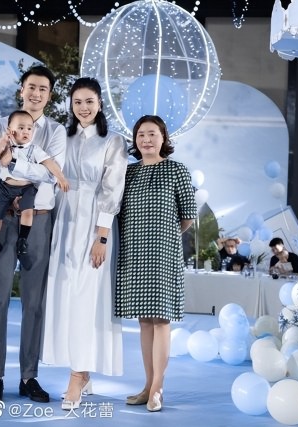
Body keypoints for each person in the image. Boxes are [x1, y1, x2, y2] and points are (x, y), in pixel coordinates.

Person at [0, 65, 66, 404]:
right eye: (31, 87)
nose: (36, 93)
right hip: (2, 219)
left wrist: (13, 169)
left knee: (34, 302)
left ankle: (29, 376)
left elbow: (51, 174)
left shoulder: (55, 132)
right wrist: (2, 196)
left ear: (49, 95)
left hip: (37, 219)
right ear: (21, 90)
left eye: (43, 89)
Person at [41, 77, 128, 411]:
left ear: (100, 103)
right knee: (65, 294)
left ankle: (77, 376)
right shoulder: (63, 138)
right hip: (64, 221)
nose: (83, 107)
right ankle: (82, 368)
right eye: (77, 102)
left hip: (94, 223)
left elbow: (112, 190)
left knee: (87, 297)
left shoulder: (112, 141)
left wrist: (101, 236)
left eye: (89, 101)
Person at [115, 115, 197, 412]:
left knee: (161, 319)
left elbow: (188, 217)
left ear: (163, 137)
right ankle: (147, 385)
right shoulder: (127, 172)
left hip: (163, 254)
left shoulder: (177, 170)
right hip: (134, 253)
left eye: (152, 134)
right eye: (141, 134)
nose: (146, 139)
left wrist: (163, 234)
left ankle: (158, 388)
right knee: (144, 321)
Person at [0, 110, 69, 261]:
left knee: (28, 211)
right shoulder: (7, 146)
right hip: (5, 186)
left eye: (29, 128)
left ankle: (23, 239)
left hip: (26, 188)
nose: (26, 131)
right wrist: (4, 140)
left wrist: (61, 177)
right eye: (21, 128)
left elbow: (49, 163)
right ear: (10, 130)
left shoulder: (34, 149)